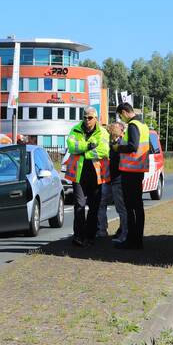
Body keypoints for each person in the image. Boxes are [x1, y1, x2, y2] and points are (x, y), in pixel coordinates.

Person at [65, 107, 110, 247]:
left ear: (96, 118)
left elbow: (103, 150)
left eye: (90, 117)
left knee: (94, 207)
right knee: (79, 205)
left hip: (96, 175)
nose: (87, 120)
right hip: (78, 175)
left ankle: (90, 236)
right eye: (85, 117)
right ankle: (78, 235)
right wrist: (89, 146)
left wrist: (84, 152)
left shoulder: (102, 132)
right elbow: (72, 146)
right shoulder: (75, 129)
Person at [114, 103, 149, 250]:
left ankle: (132, 241)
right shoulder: (143, 125)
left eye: (120, 116)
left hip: (131, 171)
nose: (121, 119)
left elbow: (133, 146)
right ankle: (137, 240)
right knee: (138, 207)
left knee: (130, 208)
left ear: (124, 112)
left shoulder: (133, 125)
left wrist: (118, 147)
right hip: (138, 170)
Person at [97, 120, 128, 241]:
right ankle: (102, 230)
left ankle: (124, 233)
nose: (112, 131)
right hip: (108, 179)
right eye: (111, 129)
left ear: (121, 132)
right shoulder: (109, 143)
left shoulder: (122, 144)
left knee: (121, 208)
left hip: (118, 180)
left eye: (114, 129)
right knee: (101, 203)